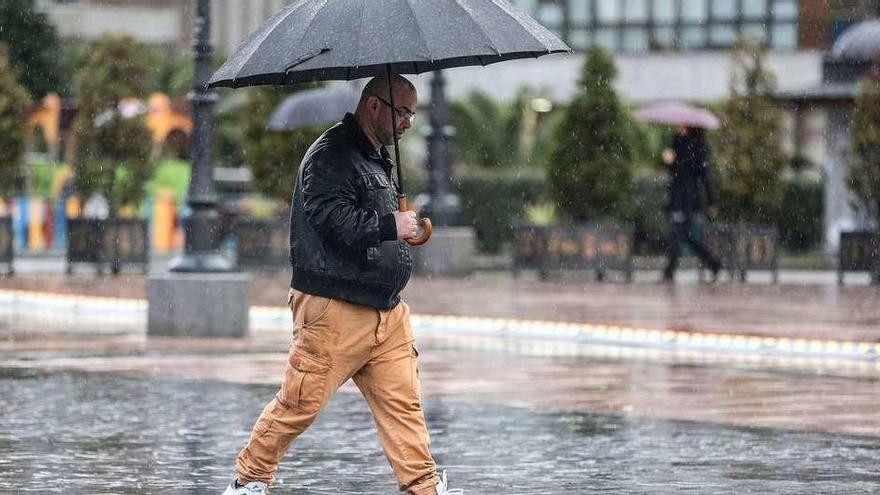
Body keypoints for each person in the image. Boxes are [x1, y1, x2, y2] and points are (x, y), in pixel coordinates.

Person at [223, 75, 461, 495]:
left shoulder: (375, 155)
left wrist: (403, 226)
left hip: (386, 310)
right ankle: (249, 480)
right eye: (403, 112)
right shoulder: (330, 155)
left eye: (411, 114)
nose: (408, 123)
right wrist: (391, 224)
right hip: (335, 308)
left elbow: (370, 219)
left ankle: (423, 488)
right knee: (300, 404)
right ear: (374, 106)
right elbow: (333, 223)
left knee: (403, 406)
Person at [661, 125, 721, 282]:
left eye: (681, 123)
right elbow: (675, 173)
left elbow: (705, 176)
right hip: (676, 198)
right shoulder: (675, 143)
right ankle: (713, 263)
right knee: (685, 236)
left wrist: (712, 201)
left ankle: (669, 271)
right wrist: (668, 161)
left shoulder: (698, 147)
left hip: (689, 199)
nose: (677, 126)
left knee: (679, 234)